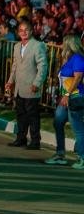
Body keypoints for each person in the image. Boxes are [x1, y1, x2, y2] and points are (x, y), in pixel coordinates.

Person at [5, 20, 48, 149]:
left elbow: (43, 66)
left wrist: (37, 82)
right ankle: (21, 138)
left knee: (32, 116)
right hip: (19, 87)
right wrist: (10, 81)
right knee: (21, 115)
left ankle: (35, 141)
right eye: (21, 30)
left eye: (26, 30)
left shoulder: (38, 45)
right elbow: (15, 66)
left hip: (32, 87)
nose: (23, 32)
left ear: (31, 31)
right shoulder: (17, 46)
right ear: (18, 32)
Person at [45, 34, 84, 169]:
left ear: (69, 44)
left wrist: (67, 94)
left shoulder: (78, 58)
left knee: (77, 128)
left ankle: (82, 157)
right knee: (58, 122)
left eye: (63, 42)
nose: (61, 44)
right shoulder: (69, 59)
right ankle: (60, 154)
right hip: (66, 98)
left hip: (75, 97)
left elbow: (78, 78)